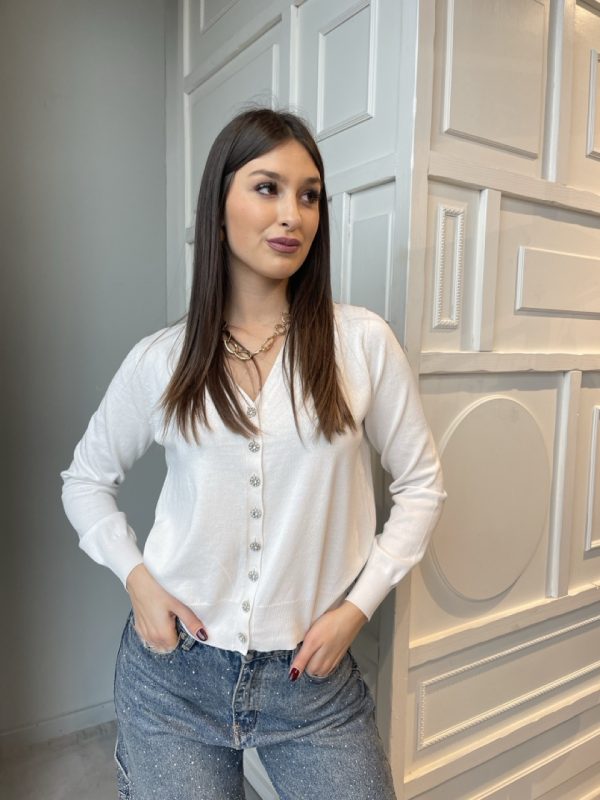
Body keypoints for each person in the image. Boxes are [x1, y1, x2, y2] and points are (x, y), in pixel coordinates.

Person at [60, 106, 446, 800]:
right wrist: (137, 580)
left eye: (309, 195)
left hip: (312, 683)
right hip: (173, 676)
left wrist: (357, 608)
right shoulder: (162, 359)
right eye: (267, 188)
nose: (292, 215)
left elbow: (421, 486)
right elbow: (84, 480)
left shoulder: (361, 344)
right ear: (218, 210)